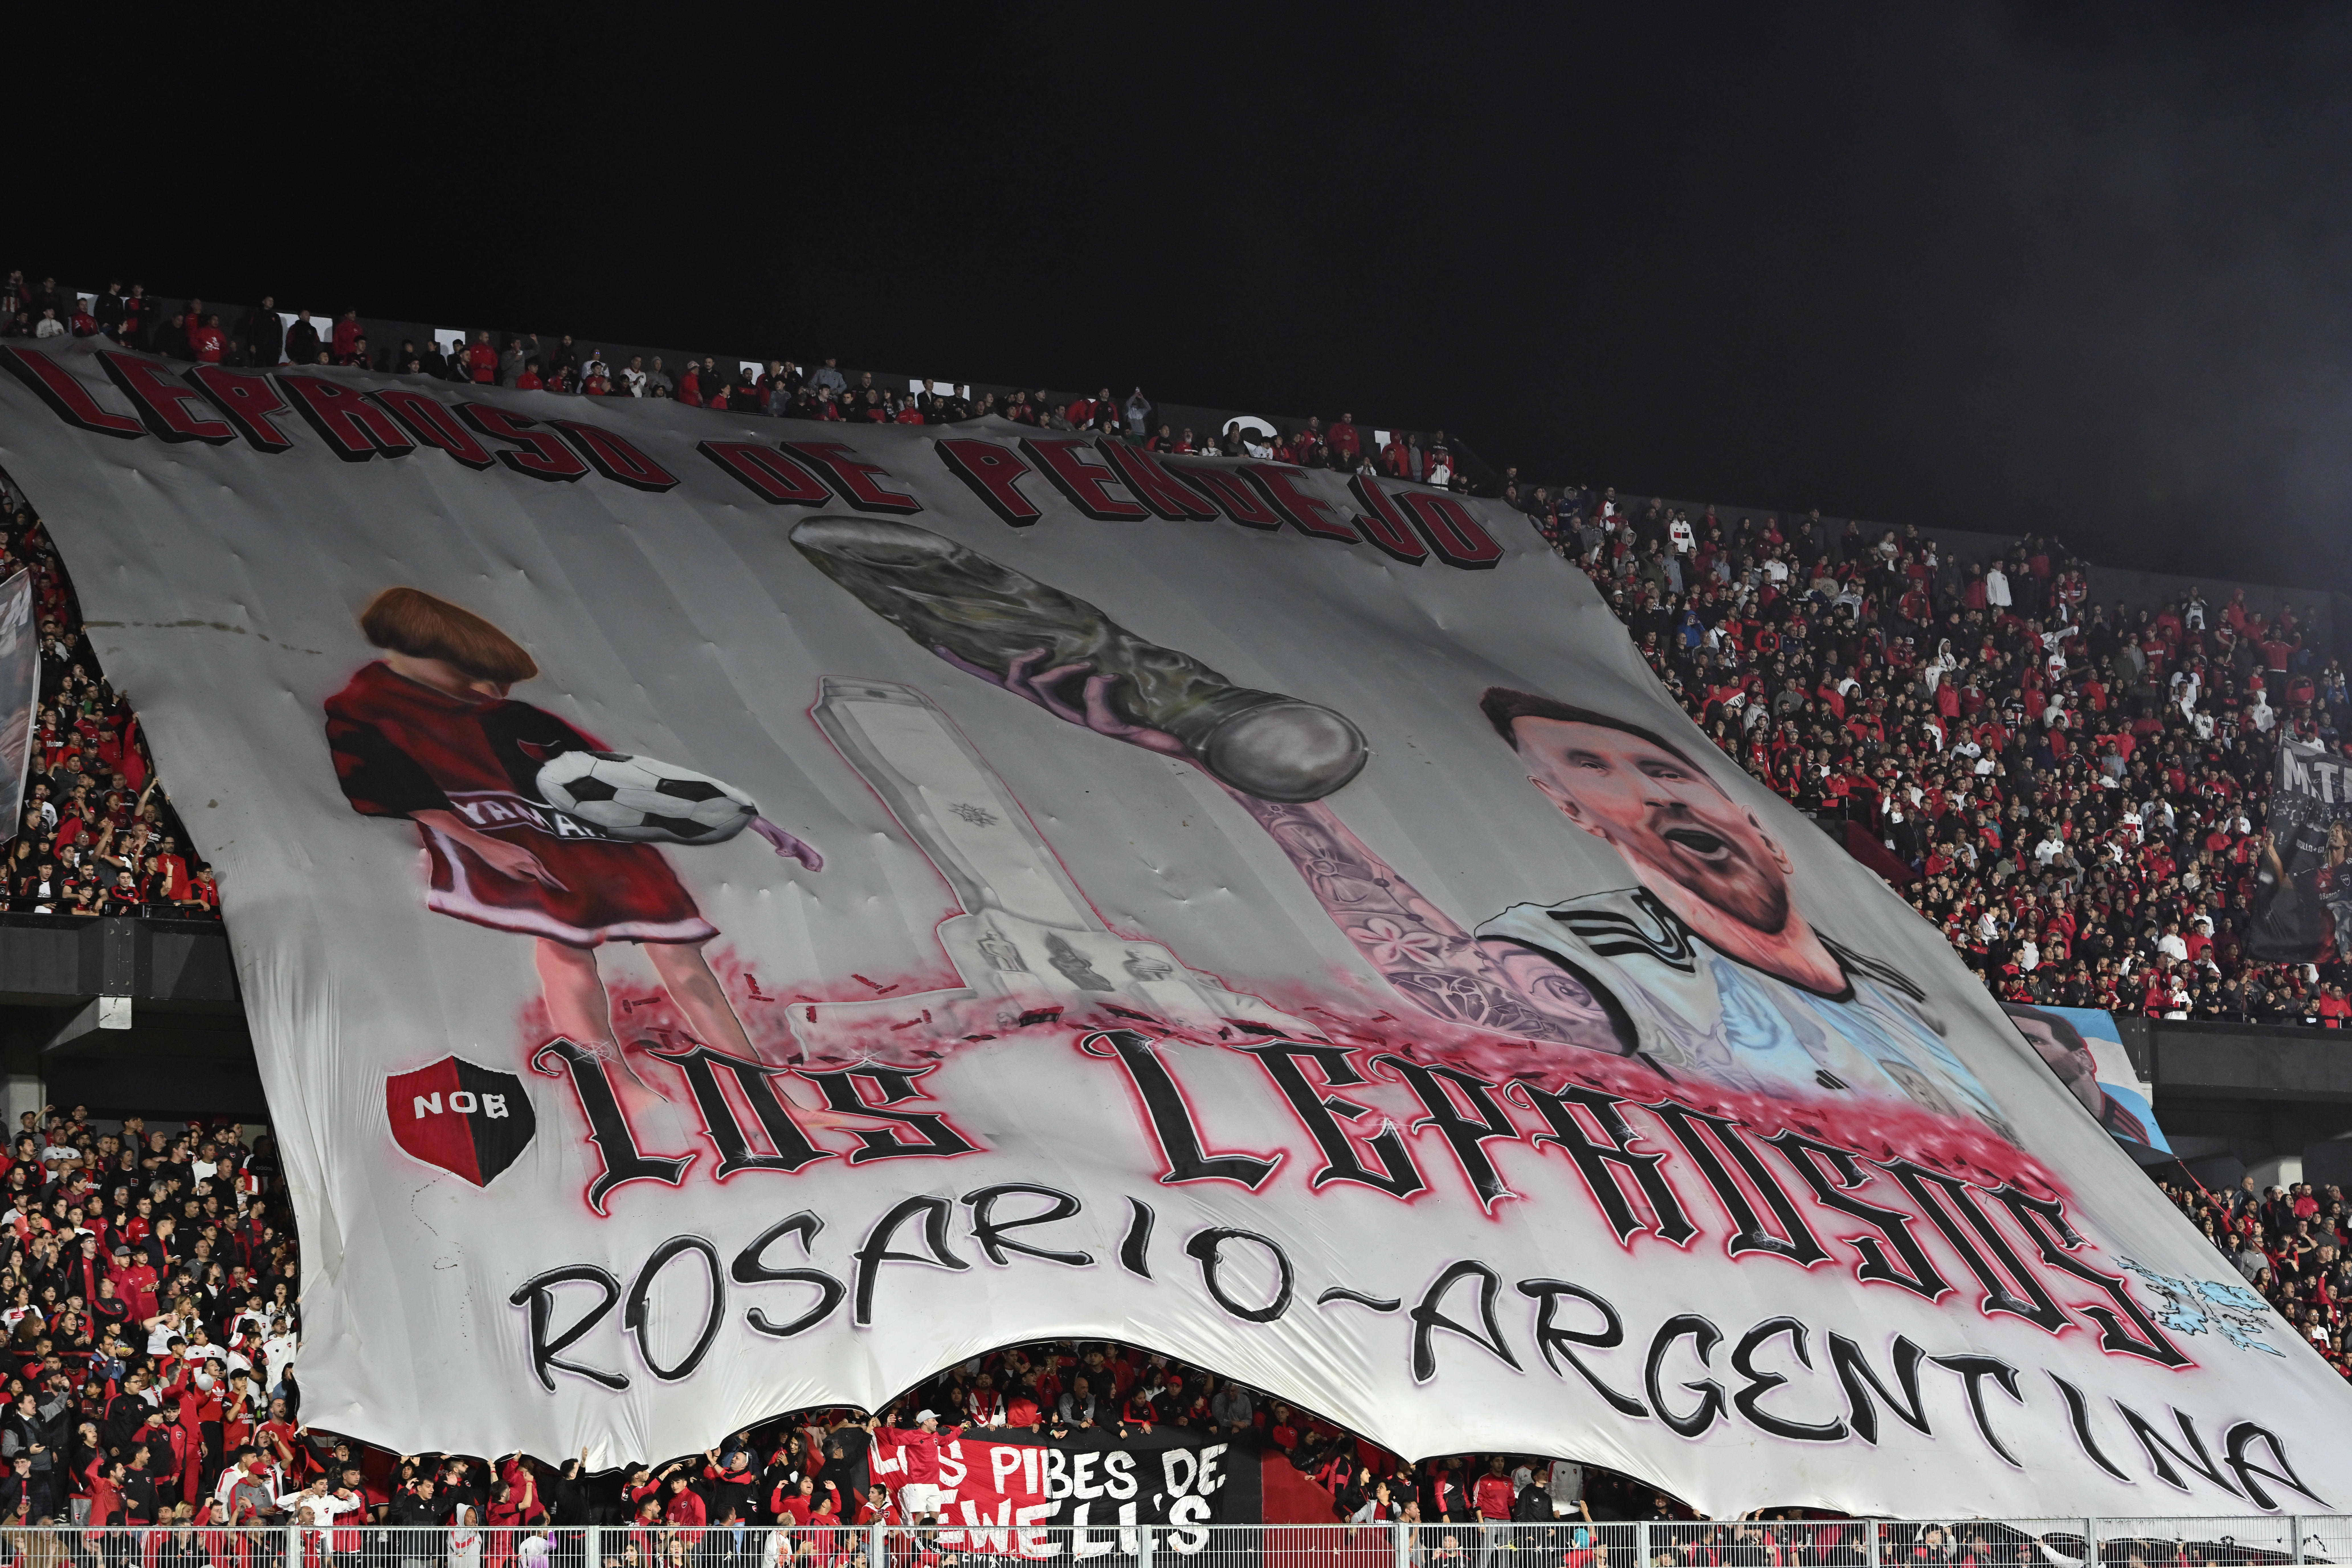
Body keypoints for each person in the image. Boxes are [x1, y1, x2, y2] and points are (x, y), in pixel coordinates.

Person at [321, 589, 826, 1093]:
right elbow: (385, 784)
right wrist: (480, 843)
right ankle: (618, 1088)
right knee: (568, 953)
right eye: (466, 674)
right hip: (508, 835)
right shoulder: (367, 709)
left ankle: (763, 1090)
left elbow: (634, 780)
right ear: (423, 653)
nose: (484, 690)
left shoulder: (505, 715)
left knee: (680, 956)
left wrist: (748, 819)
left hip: (593, 839)